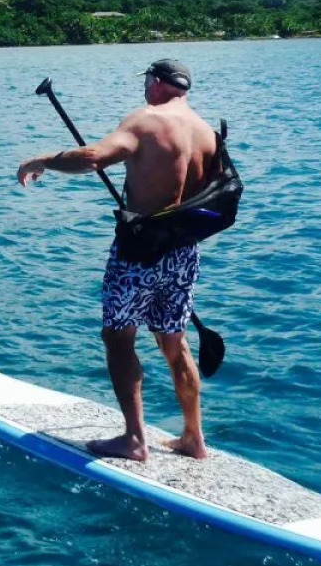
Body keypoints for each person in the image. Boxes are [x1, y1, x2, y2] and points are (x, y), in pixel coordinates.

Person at [16, 58, 219, 462]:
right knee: (174, 342)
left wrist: (42, 160)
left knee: (119, 338)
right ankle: (194, 438)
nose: (144, 88)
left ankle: (134, 439)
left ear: (158, 83)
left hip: (139, 254)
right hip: (182, 251)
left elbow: (93, 158)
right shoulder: (206, 133)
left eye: (146, 81)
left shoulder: (147, 120)